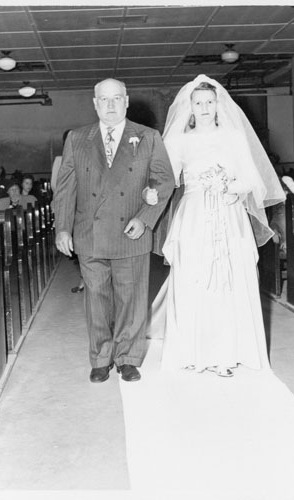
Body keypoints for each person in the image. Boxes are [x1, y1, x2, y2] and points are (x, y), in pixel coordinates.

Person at [145, 74, 285, 377]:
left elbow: (252, 178)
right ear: (190, 107)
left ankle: (226, 354)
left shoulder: (233, 137)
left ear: (218, 105)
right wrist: (152, 189)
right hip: (195, 214)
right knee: (194, 275)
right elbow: (166, 176)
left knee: (228, 278)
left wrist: (231, 188)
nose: (205, 107)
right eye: (199, 102)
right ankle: (194, 353)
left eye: (210, 102)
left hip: (228, 213)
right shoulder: (180, 139)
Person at [53, 78, 175, 383]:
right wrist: (62, 228)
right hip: (89, 234)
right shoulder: (78, 139)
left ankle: (128, 358)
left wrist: (146, 217)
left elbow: (164, 182)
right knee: (96, 298)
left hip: (130, 232)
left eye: (116, 98)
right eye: (104, 100)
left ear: (127, 101)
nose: (110, 105)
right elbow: (66, 188)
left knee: (130, 299)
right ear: (95, 103)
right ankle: (101, 358)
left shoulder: (148, 137)